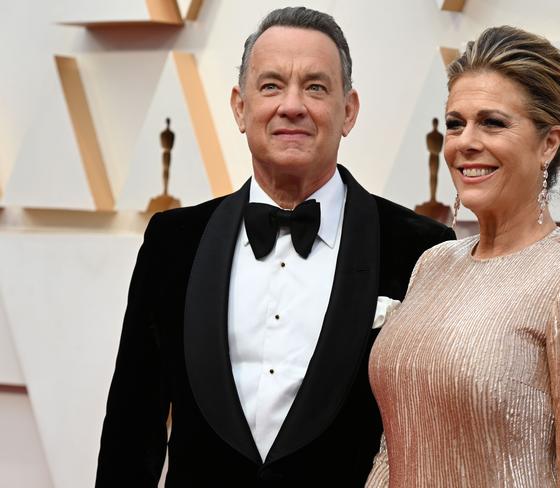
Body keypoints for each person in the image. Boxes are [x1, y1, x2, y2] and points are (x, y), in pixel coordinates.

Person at [95, 7, 454, 487]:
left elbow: (435, 439)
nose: (292, 105)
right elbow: (132, 427)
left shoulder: (421, 249)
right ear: (240, 108)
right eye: (270, 86)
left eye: (315, 87)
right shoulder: (172, 241)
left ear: (348, 111)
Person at [366, 26, 560, 487]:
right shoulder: (433, 264)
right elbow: (394, 448)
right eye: (455, 123)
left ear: (549, 142)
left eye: (492, 122)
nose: (465, 142)